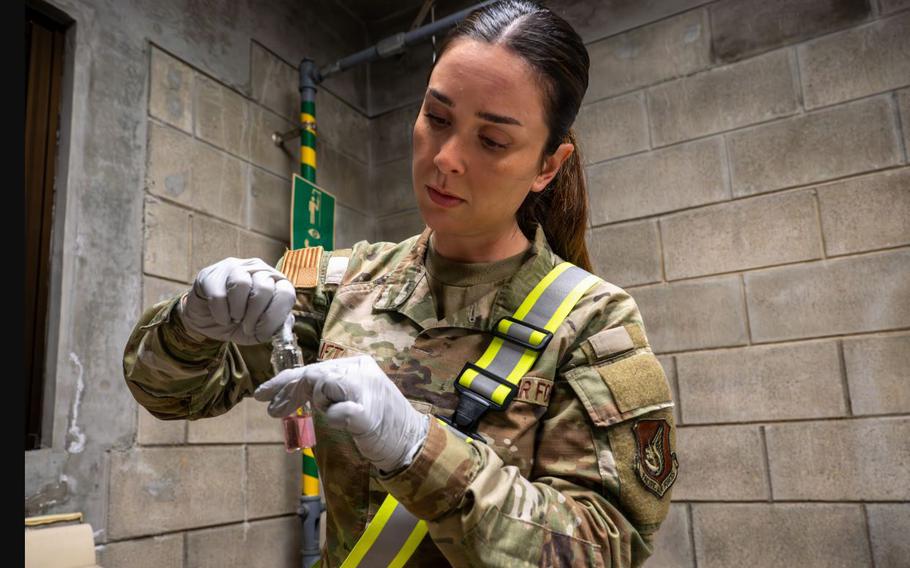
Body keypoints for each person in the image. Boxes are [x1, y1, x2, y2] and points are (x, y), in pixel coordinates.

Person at [122, 1, 678, 566]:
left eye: (492, 141)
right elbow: (165, 393)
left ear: (547, 166)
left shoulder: (594, 322)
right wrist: (191, 325)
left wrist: (420, 449)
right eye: (437, 118)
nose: (445, 158)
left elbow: (607, 545)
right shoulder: (342, 281)